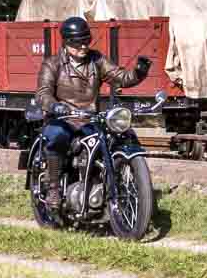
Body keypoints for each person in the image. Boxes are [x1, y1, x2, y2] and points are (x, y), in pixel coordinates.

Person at [28, 15, 146, 188]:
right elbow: (43, 93)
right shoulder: (52, 64)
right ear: (67, 42)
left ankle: (107, 184)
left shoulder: (96, 60)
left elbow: (120, 76)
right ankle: (53, 186)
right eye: (78, 42)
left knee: (114, 138)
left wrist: (139, 72)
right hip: (62, 119)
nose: (84, 46)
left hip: (89, 119)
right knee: (58, 136)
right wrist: (55, 106)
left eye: (86, 41)